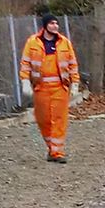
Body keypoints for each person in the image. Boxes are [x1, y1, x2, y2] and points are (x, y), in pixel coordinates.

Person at [20, 14, 79, 162]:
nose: (55, 26)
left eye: (56, 24)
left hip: (60, 87)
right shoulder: (32, 42)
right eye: (52, 23)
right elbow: (25, 63)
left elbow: (72, 64)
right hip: (41, 87)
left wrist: (75, 83)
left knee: (59, 119)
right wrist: (25, 81)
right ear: (45, 25)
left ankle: (57, 152)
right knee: (43, 119)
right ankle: (51, 147)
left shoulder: (64, 43)